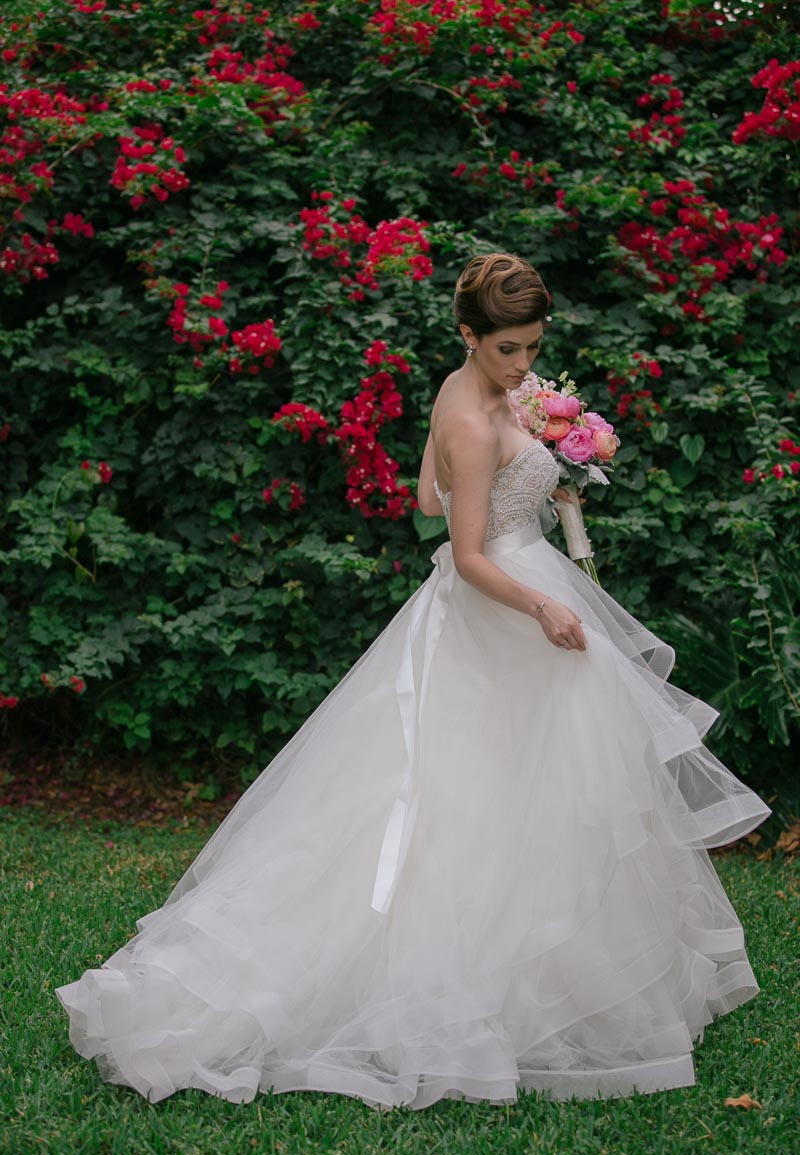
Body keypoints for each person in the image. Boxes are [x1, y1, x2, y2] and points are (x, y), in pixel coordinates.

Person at [56, 252, 770, 1110]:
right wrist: (541, 607)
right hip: (504, 609)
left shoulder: (481, 390)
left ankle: (562, 977)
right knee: (463, 798)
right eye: (507, 349)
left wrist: (550, 473)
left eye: (532, 347)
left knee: (544, 798)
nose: (524, 365)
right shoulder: (467, 417)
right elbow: (463, 555)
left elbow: (427, 500)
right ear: (468, 336)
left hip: (528, 583)